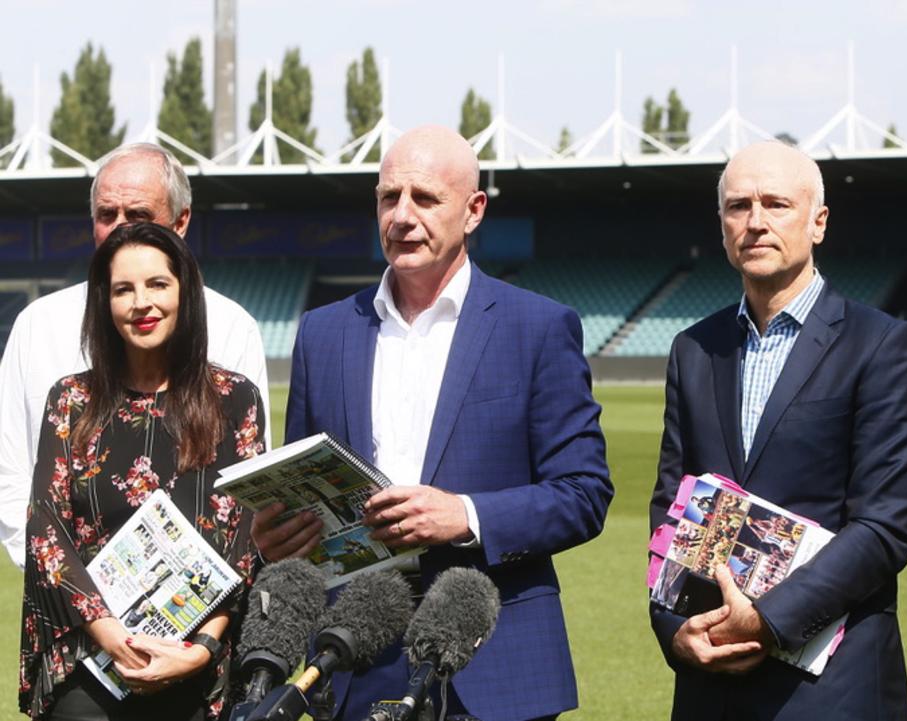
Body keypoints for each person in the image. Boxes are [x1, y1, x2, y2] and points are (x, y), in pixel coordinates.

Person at [252, 125, 613, 721]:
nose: (402, 216)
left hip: (491, 658)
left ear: (473, 211)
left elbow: (583, 492)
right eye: (389, 197)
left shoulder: (538, 328)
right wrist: (280, 539)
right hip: (354, 653)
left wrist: (464, 516)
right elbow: (303, 490)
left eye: (424, 198)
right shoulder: (323, 332)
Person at [648, 141, 907, 720]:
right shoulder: (694, 349)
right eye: (737, 206)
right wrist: (675, 629)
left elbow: (883, 528)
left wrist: (768, 618)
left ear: (817, 221)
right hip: (710, 682)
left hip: (833, 690)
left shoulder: (880, 345)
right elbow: (672, 510)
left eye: (776, 204)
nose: (755, 222)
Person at [19, 222, 265, 720]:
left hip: (197, 665)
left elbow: (247, 537)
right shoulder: (70, 401)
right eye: (123, 289)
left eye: (158, 284)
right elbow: (46, 528)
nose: (141, 303)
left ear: (185, 292)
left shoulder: (234, 399)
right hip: (89, 667)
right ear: (104, 303)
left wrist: (200, 648)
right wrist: (112, 636)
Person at [0, 142, 269, 569]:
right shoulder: (39, 325)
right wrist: (70, 587)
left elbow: (245, 490)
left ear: (180, 222)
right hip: (73, 604)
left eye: (139, 215)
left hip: (194, 610)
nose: (121, 228)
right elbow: (10, 473)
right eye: (108, 215)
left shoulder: (231, 325)